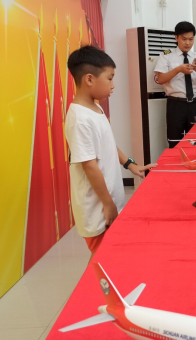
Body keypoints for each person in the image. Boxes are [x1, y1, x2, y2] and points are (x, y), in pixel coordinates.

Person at [65, 46, 156, 260]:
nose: (113, 85)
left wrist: (130, 165)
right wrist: (108, 204)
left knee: (109, 255)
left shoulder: (96, 109)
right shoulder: (80, 120)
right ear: (89, 79)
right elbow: (89, 166)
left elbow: (108, 144)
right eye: (110, 78)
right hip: (97, 207)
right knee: (102, 259)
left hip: (109, 200)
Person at [154, 21, 196, 148]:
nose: (188, 43)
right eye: (184, 39)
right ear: (176, 37)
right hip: (175, 105)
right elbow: (160, 79)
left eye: (191, 39)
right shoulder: (166, 56)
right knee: (174, 141)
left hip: (194, 105)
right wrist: (178, 69)